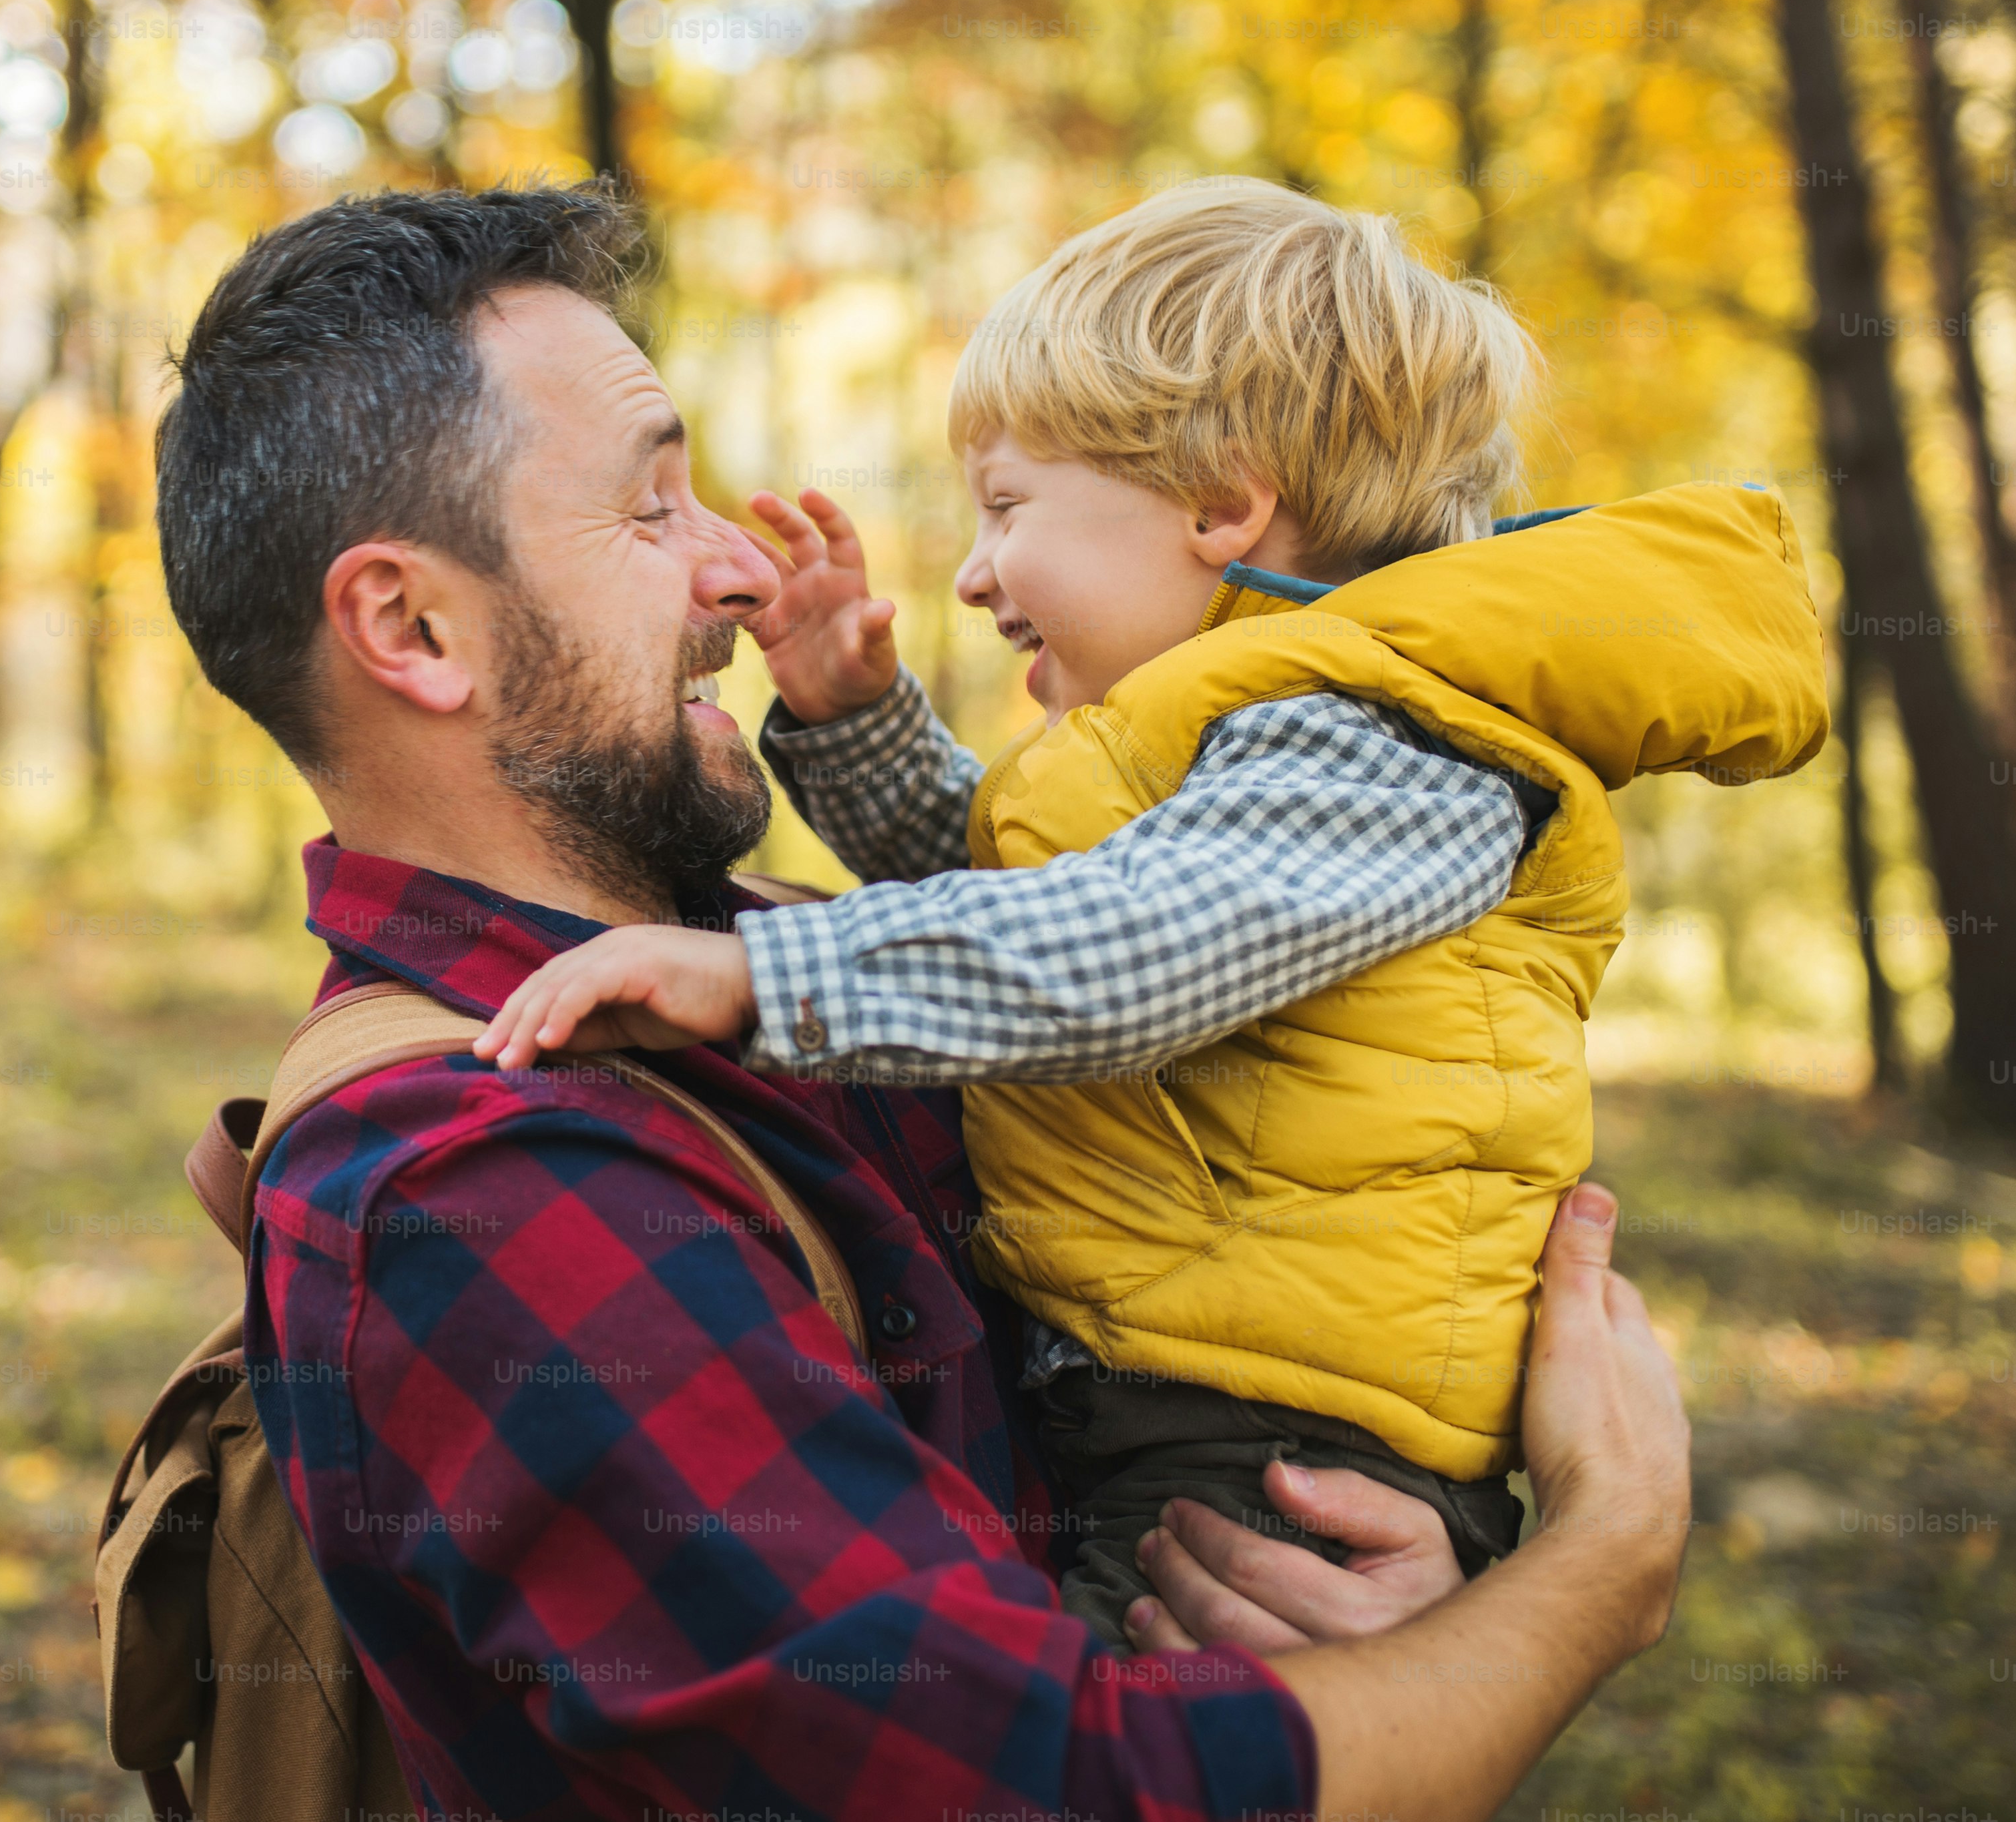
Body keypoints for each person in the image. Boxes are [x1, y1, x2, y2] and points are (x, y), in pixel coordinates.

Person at [156, 181, 1694, 1822]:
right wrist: (1599, 1568)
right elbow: (1049, 1795)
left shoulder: (776, 965)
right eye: (650, 506)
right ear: (412, 623)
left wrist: (1366, 1611)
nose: (742, 570)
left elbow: (1068, 968)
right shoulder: (478, 1182)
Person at [477, 178, 1822, 1643]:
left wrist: (759, 973)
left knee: (1102, 1759)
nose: (975, 569)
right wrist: (860, 722)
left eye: (1006, 507)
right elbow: (1034, 904)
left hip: (1279, 1450)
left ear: (1219, 504)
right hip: (1179, 1384)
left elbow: (1116, 961)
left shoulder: (1386, 737)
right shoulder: (1232, 728)